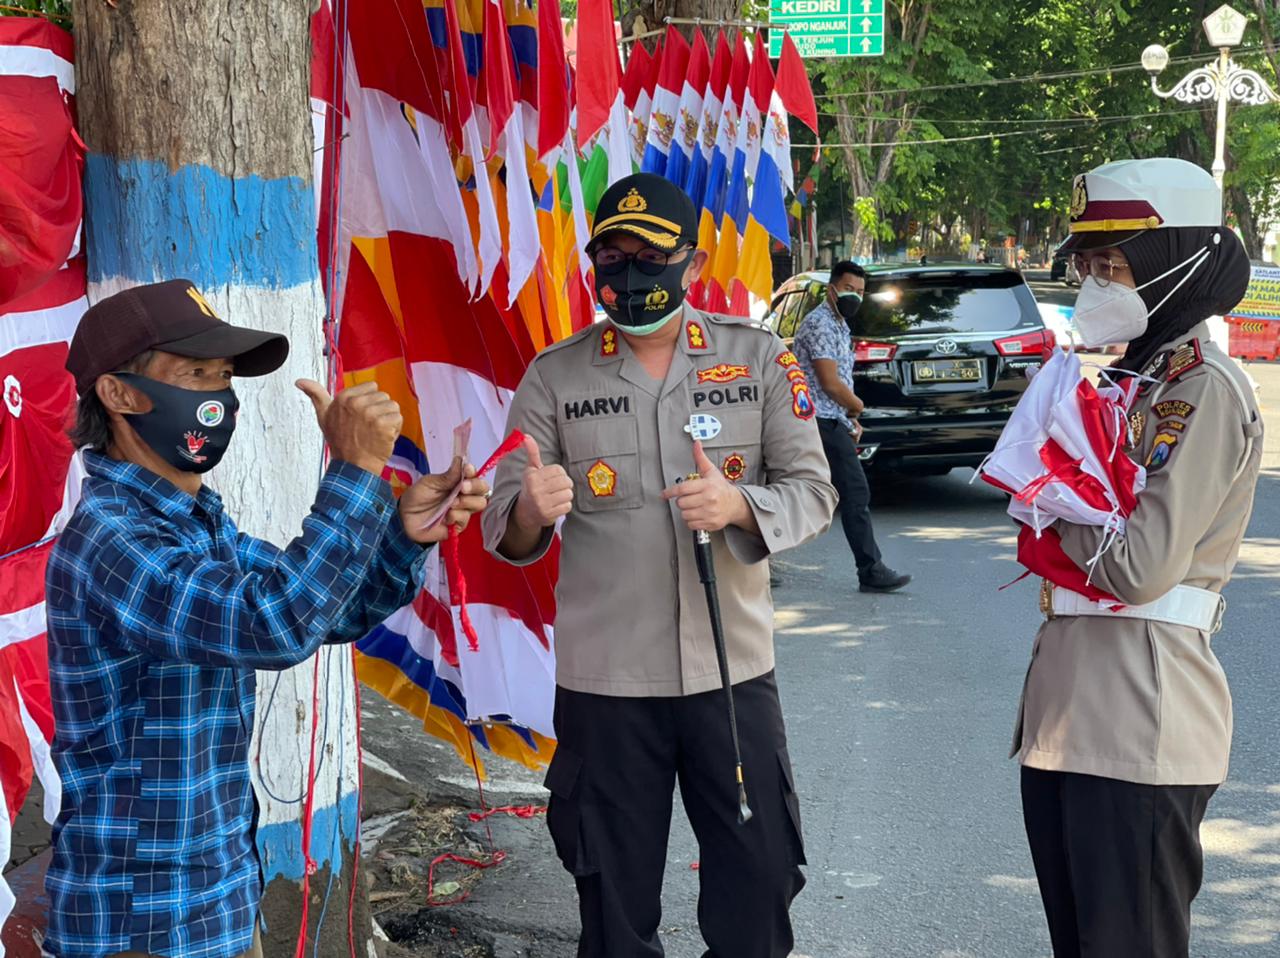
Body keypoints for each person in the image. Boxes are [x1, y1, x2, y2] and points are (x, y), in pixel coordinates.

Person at [45, 280, 489, 958]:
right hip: (144, 919)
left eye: (224, 377)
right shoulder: (113, 539)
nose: (218, 396)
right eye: (195, 374)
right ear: (119, 394)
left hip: (218, 896)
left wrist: (403, 532)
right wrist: (355, 470)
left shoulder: (196, 524)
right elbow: (273, 623)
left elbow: (319, 610)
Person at [481, 173, 836, 958]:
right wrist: (530, 512)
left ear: (693, 262)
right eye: (612, 256)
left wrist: (742, 508)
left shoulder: (760, 358)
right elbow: (504, 526)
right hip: (607, 687)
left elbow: (815, 491)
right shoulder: (554, 375)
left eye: (650, 255)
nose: (630, 273)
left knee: (760, 884)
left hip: (731, 677)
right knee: (612, 902)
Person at [1012, 157, 1262, 957]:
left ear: (1176, 262)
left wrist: (1044, 504)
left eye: (1111, 265)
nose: (1094, 283)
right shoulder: (1130, 380)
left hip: (1139, 726)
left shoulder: (1202, 389)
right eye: (1086, 264)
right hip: (1070, 718)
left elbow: (1139, 566)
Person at [793, 262, 911, 593]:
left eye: (860, 292)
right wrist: (857, 406)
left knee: (801, 490)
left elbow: (838, 381)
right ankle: (870, 570)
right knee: (854, 491)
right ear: (831, 288)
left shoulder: (839, 324)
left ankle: (758, 559)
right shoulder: (820, 324)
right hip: (816, 420)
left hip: (830, 418)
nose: (854, 296)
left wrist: (851, 417)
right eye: (848, 289)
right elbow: (830, 383)